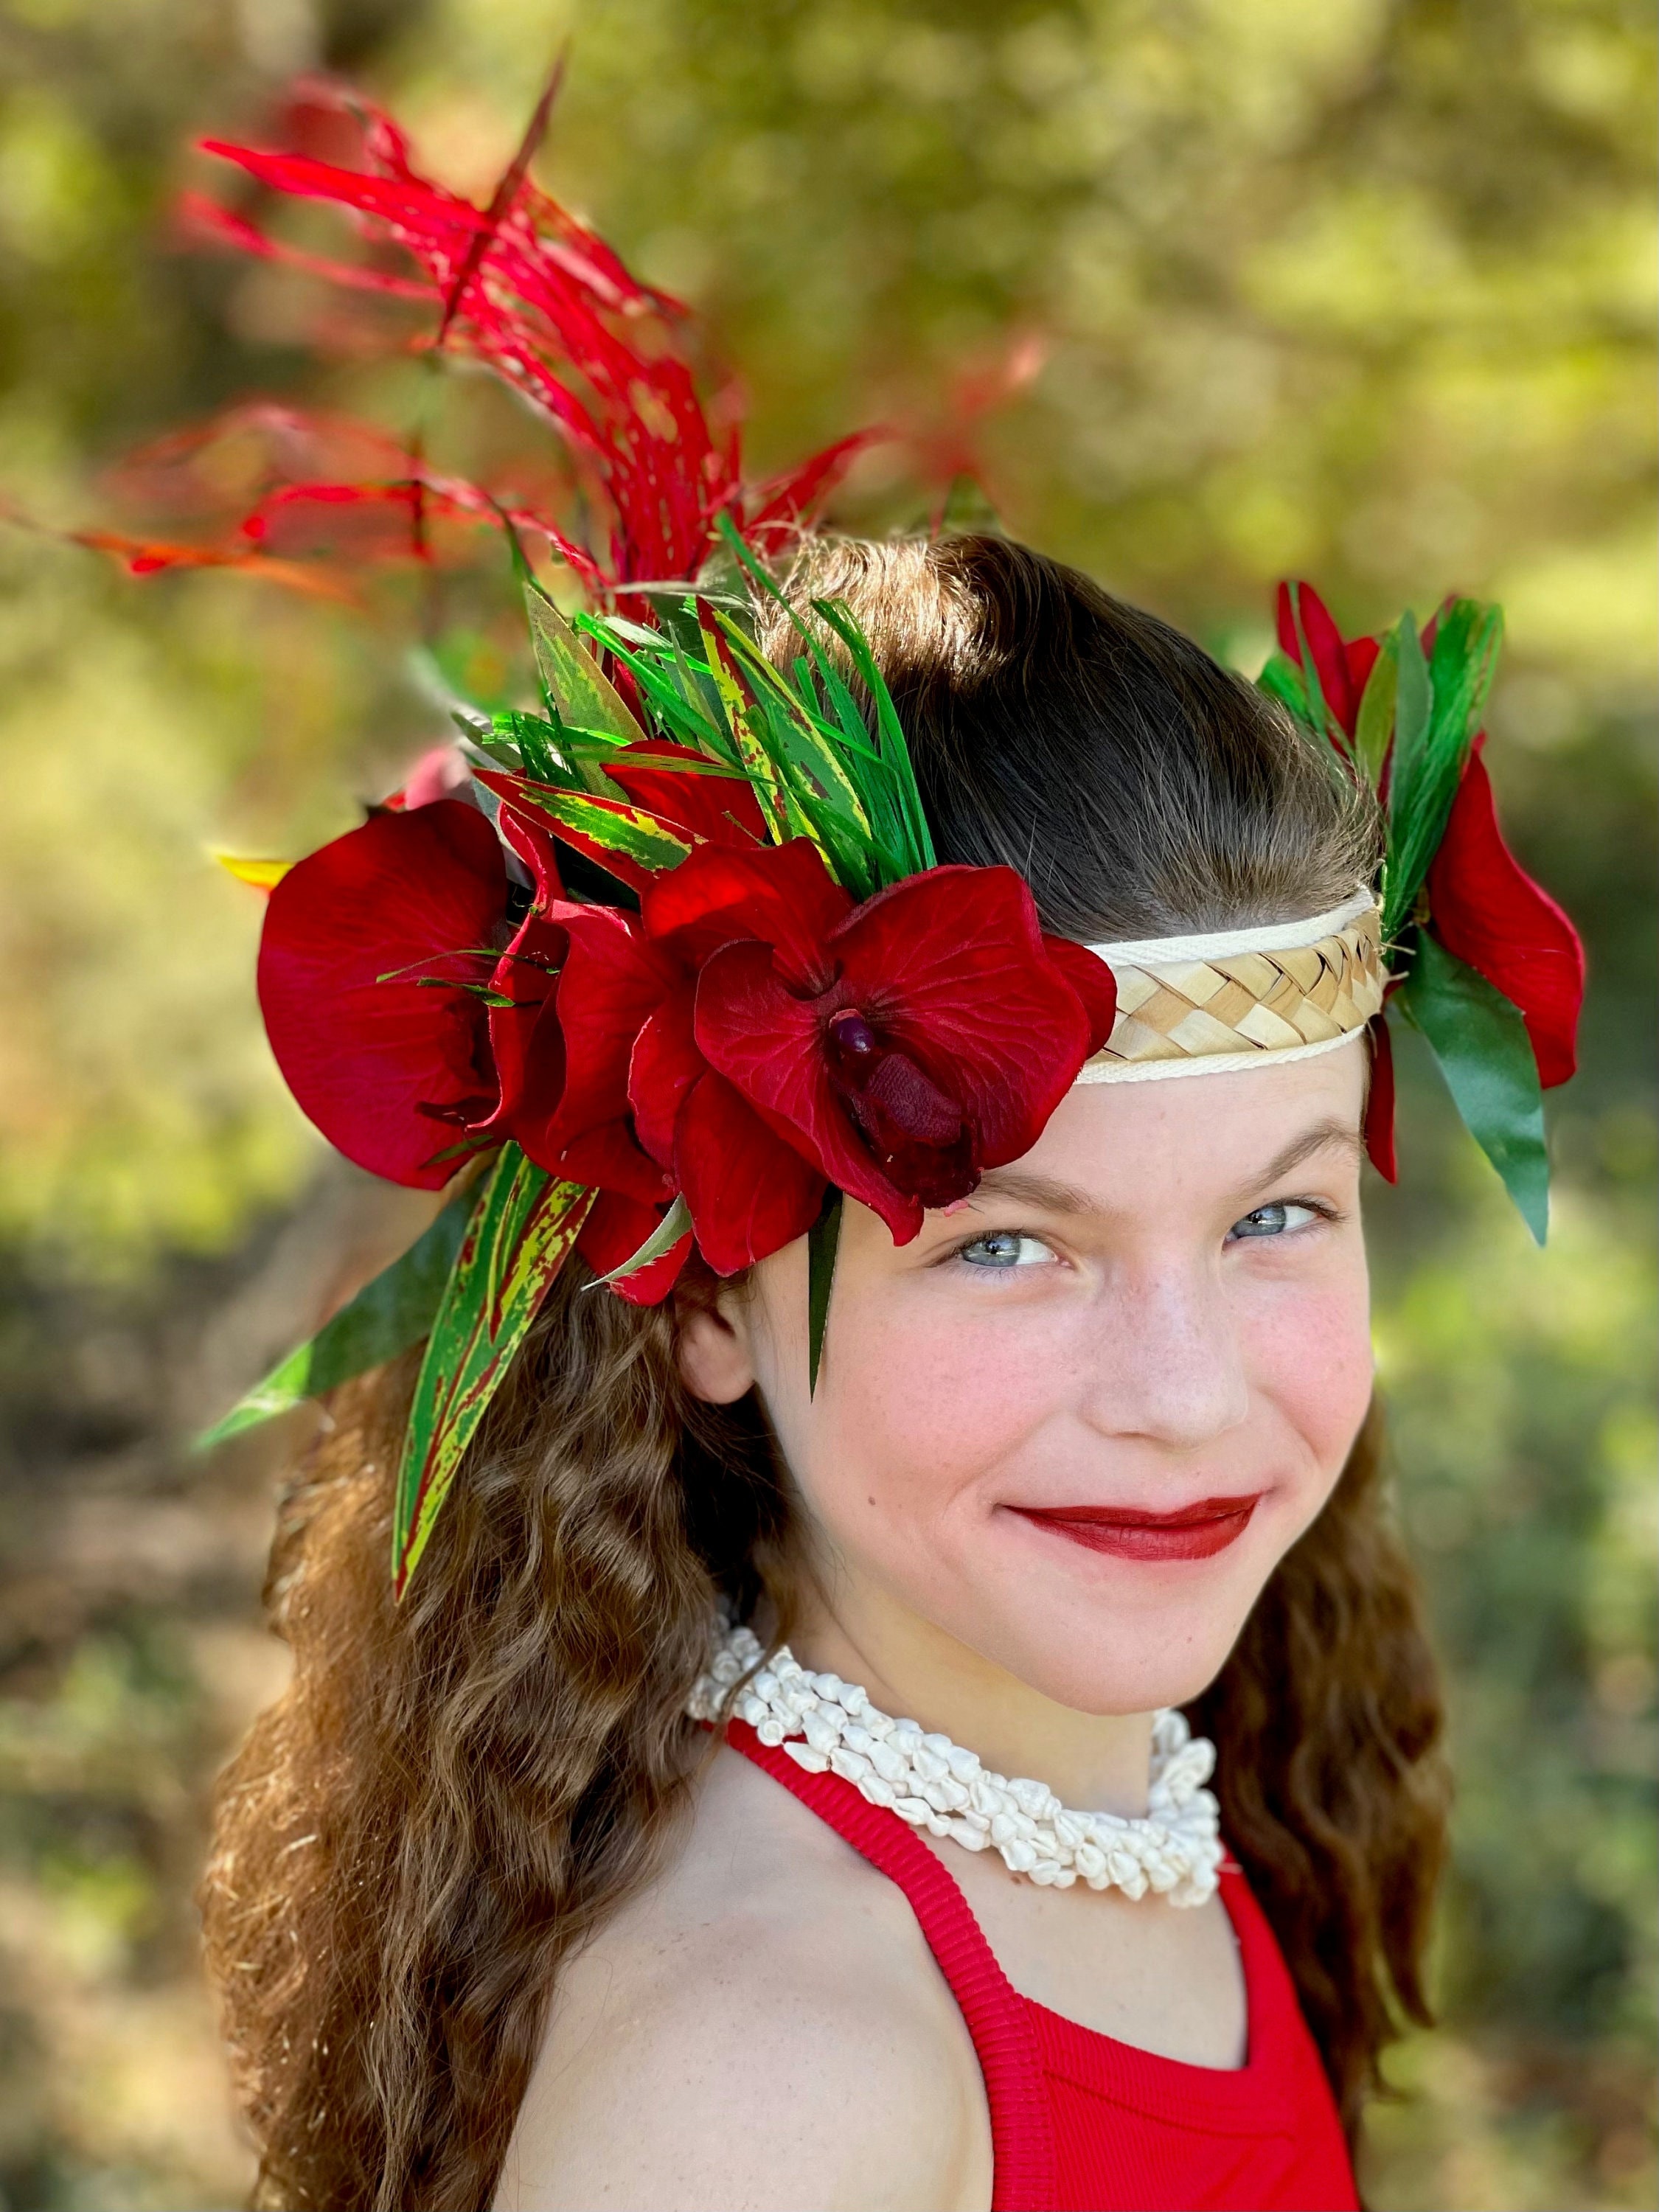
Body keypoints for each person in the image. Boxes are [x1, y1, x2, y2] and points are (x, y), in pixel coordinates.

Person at [136, 86, 1582, 2212]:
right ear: (706, 1291)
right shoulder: (772, 2079)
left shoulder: (1147, 1815)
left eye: (1273, 1211)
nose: (1184, 1394)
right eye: (1008, 1244)